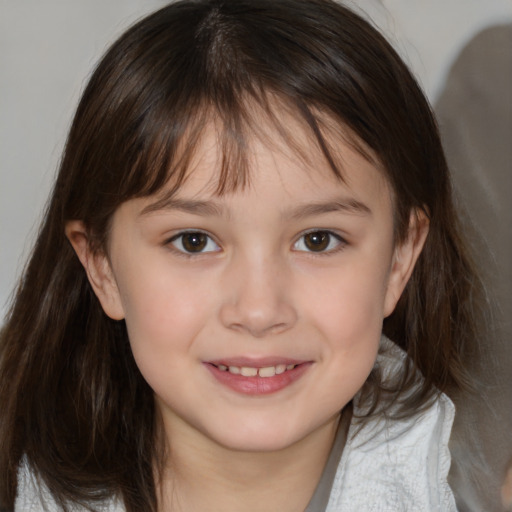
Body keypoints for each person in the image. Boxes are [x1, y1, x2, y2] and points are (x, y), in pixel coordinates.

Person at [0, 1, 483, 510]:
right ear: (101, 266)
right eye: (193, 241)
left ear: (400, 258)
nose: (258, 311)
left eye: (318, 240)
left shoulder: (477, 486)